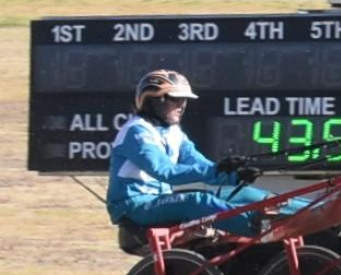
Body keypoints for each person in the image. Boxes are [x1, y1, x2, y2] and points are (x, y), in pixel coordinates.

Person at [106, 69, 282, 238]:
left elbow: (201, 165)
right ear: (154, 100)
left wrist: (232, 175)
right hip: (133, 206)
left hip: (160, 201)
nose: (182, 105)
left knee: (240, 193)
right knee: (196, 201)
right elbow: (165, 172)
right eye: (176, 99)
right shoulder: (137, 132)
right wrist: (215, 170)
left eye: (184, 100)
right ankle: (257, 226)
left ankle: (303, 213)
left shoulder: (174, 132)